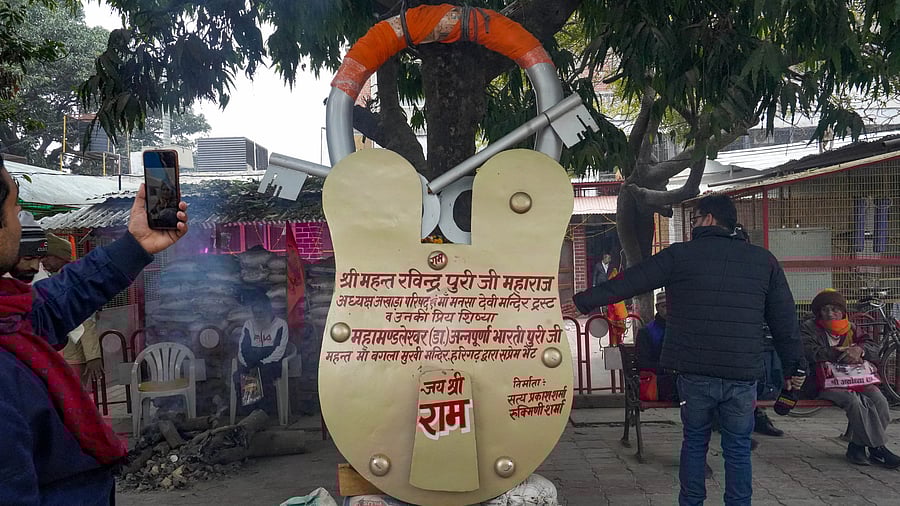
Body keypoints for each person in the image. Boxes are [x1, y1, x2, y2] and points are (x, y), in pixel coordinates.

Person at [573, 194, 806, 506]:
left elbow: (632, 281)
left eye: (694, 219)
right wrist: (795, 367)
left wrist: (584, 301)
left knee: (695, 442)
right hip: (741, 374)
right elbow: (785, 320)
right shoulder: (763, 261)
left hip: (694, 373)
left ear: (709, 218)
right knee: (738, 448)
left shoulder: (681, 255)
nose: (692, 225)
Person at [0, 151, 189, 504]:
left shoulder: (9, 317)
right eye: (12, 205)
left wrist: (135, 246)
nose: (18, 215)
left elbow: (55, 303)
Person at [800, 288, 900, 468]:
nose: (830, 313)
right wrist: (839, 354)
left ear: (843, 311)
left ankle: (857, 446)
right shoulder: (809, 328)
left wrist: (859, 350)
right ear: (818, 312)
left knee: (879, 401)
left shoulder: (851, 327)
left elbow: (872, 347)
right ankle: (878, 448)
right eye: (825, 309)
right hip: (823, 381)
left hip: (856, 378)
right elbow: (808, 352)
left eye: (834, 309)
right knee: (855, 402)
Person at [235, 289, 289, 417]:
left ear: (268, 310)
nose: (258, 316)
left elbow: (279, 350)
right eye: (255, 313)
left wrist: (262, 363)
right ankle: (250, 414)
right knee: (240, 376)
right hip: (250, 362)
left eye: (261, 312)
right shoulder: (248, 324)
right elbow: (242, 349)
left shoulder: (281, 325)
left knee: (261, 375)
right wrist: (248, 364)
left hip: (271, 363)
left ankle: (263, 414)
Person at [636, 291, 677, 401]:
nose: (668, 310)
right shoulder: (646, 332)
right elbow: (643, 363)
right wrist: (665, 369)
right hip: (658, 381)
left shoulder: (680, 330)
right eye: (664, 306)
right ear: (657, 308)